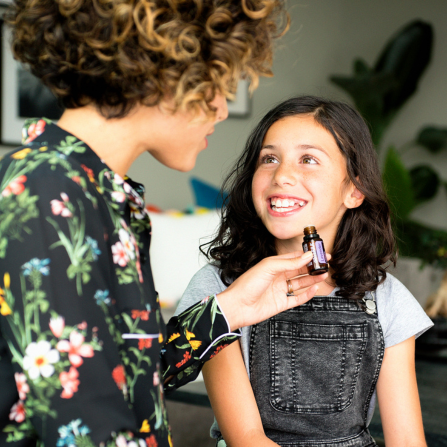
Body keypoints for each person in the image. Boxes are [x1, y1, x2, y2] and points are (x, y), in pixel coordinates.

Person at [0, 3, 331, 447]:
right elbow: (85, 428)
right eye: (219, 81)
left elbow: (121, 374)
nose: (221, 106)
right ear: (167, 68)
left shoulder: (92, 191)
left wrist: (229, 309)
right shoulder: (47, 192)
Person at [177, 96, 434, 447]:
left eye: (308, 159)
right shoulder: (218, 290)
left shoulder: (388, 298)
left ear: (354, 190)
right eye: (269, 159)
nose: (282, 175)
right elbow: (246, 438)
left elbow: (407, 440)